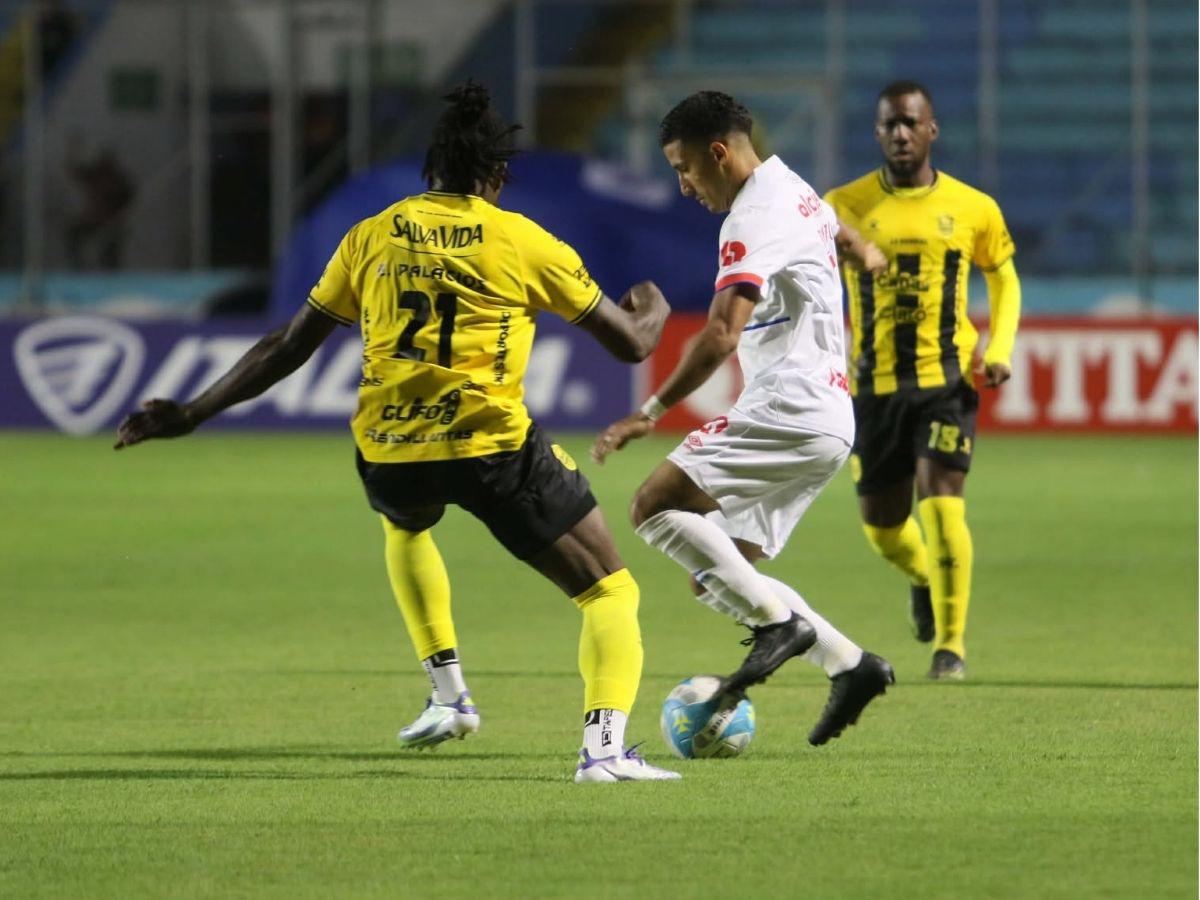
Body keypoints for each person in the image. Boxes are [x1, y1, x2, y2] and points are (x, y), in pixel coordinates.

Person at [114, 82, 680, 783]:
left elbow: (288, 345)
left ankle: (449, 696)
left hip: (390, 451)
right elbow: (631, 343)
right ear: (497, 177)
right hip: (489, 447)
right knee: (608, 592)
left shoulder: (372, 234)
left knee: (407, 526)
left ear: (430, 171)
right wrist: (652, 304)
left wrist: (194, 412)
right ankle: (603, 750)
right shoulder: (521, 239)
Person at [593, 90, 893, 746]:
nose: (683, 185)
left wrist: (648, 412)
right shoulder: (795, 188)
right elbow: (836, 230)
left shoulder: (751, 216)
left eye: (685, 168)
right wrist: (864, 251)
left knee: (652, 505)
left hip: (789, 404)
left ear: (718, 153)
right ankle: (852, 666)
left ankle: (780, 628)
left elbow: (722, 334)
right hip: (827, 419)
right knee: (718, 575)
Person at [823, 80, 1021, 680]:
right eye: (890, 124)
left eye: (911, 122)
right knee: (883, 531)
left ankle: (950, 648)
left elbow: (1004, 277)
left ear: (932, 129)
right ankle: (921, 576)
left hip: (946, 381)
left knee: (942, 505)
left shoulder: (973, 207)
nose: (901, 133)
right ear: (877, 133)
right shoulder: (842, 206)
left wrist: (999, 348)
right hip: (874, 387)